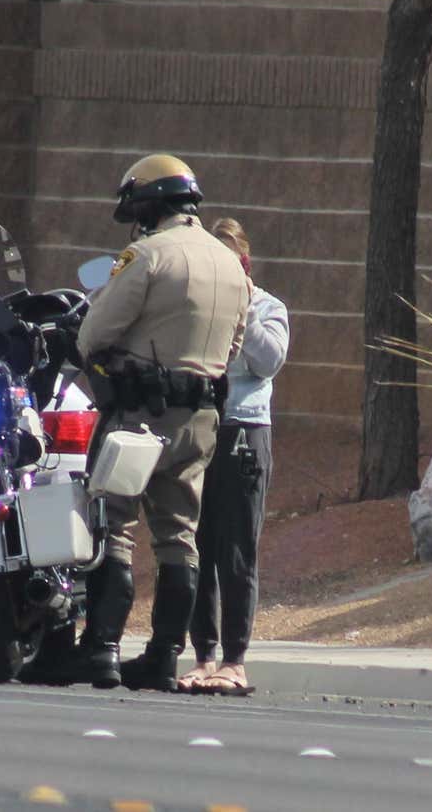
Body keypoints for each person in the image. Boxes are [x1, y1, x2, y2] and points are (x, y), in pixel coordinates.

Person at [65, 153, 251, 691]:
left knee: (114, 526)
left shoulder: (146, 256)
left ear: (148, 205)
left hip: (138, 417)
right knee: (178, 537)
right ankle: (164, 657)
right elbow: (233, 348)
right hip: (200, 421)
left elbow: (92, 336)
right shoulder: (229, 266)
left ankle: (100, 649)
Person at [176, 218, 289, 696]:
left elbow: (269, 361)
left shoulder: (268, 306)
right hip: (200, 428)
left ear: (243, 263)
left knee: (237, 549)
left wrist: (240, 303)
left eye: (225, 262)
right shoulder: (196, 307)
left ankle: (235, 660)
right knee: (195, 545)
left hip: (245, 431)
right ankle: (202, 655)